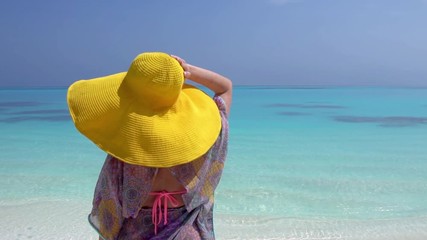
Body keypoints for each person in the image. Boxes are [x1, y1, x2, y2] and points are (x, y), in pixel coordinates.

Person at [67, 52, 232, 239]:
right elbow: (225, 88)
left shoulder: (126, 149)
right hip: (187, 233)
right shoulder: (213, 130)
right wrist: (188, 71)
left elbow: (110, 208)